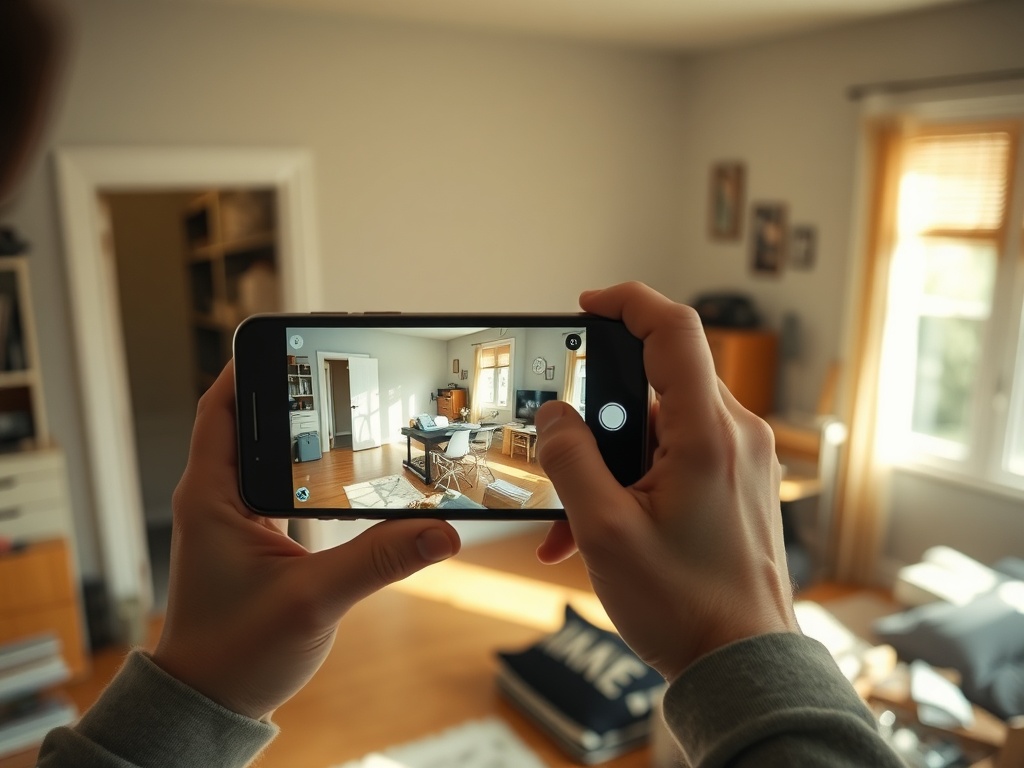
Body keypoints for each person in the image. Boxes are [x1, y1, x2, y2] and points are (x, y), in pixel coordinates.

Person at [5, 3, 902, 765]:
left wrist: (192, 690)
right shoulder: (432, 417)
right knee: (436, 454)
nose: (446, 411)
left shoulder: (473, 417)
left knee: (447, 457)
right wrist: (744, 641)